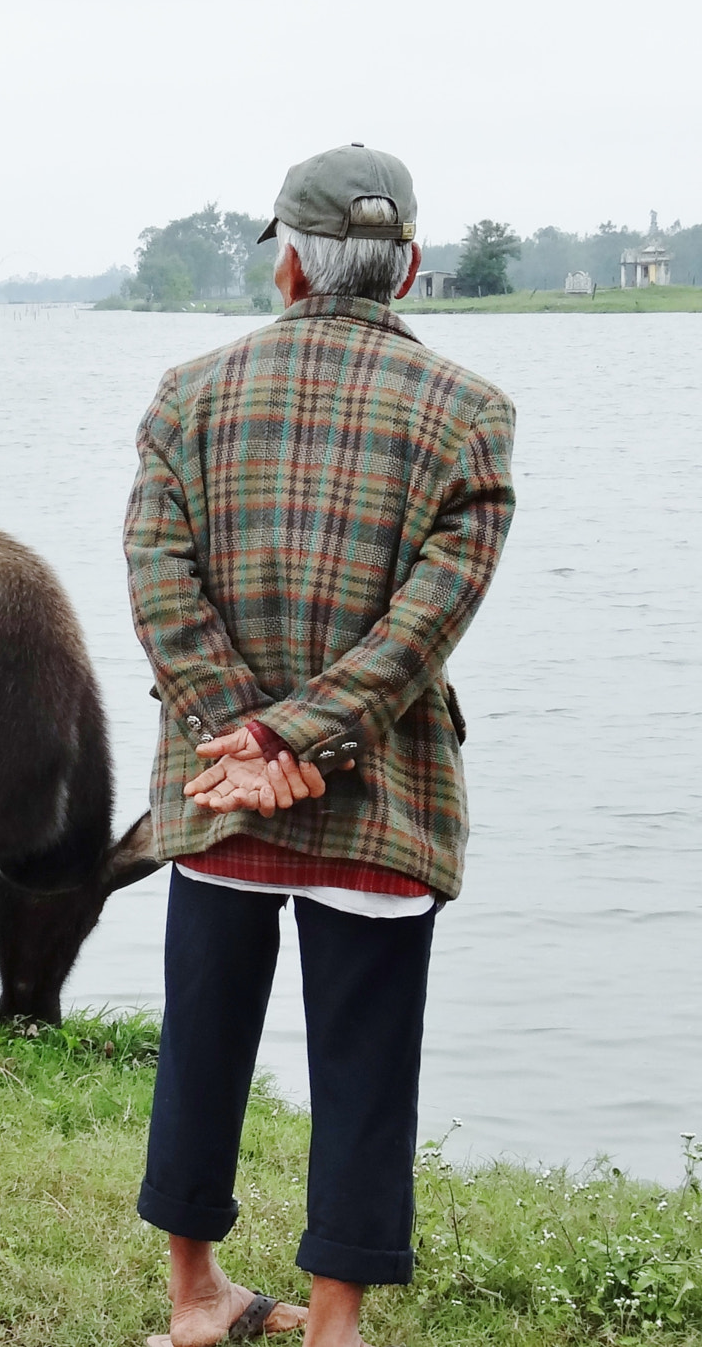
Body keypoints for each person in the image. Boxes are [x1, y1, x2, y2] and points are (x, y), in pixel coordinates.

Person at [123, 144, 516, 1347]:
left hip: (219, 792)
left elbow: (157, 581)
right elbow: (422, 624)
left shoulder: (188, 393)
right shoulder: (469, 414)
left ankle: (196, 1298)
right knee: (363, 1062)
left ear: (288, 262)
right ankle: (332, 1326)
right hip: (381, 801)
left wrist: (237, 740)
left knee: (201, 1042)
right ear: (402, 266)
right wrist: (300, 736)